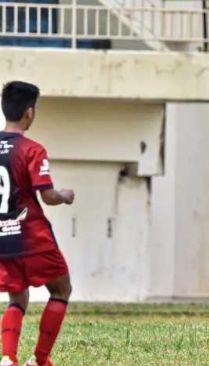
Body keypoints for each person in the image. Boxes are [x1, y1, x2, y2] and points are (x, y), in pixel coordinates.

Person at [0, 81, 75, 366]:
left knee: (16, 299)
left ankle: (8, 358)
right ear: (29, 112)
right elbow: (48, 196)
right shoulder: (33, 150)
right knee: (61, 289)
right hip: (32, 236)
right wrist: (65, 196)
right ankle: (40, 359)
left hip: (3, 239)